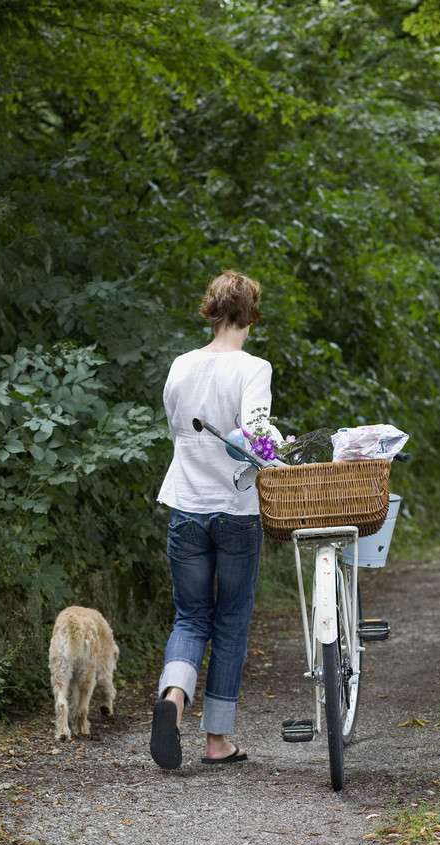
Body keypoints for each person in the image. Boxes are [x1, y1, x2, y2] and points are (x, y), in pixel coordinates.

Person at [150, 270, 279, 770]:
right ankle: (217, 740)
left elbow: (175, 430)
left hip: (186, 503)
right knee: (230, 619)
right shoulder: (253, 368)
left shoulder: (181, 365)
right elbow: (255, 434)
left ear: (212, 310)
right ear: (250, 314)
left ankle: (173, 699)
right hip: (236, 511)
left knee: (190, 616)